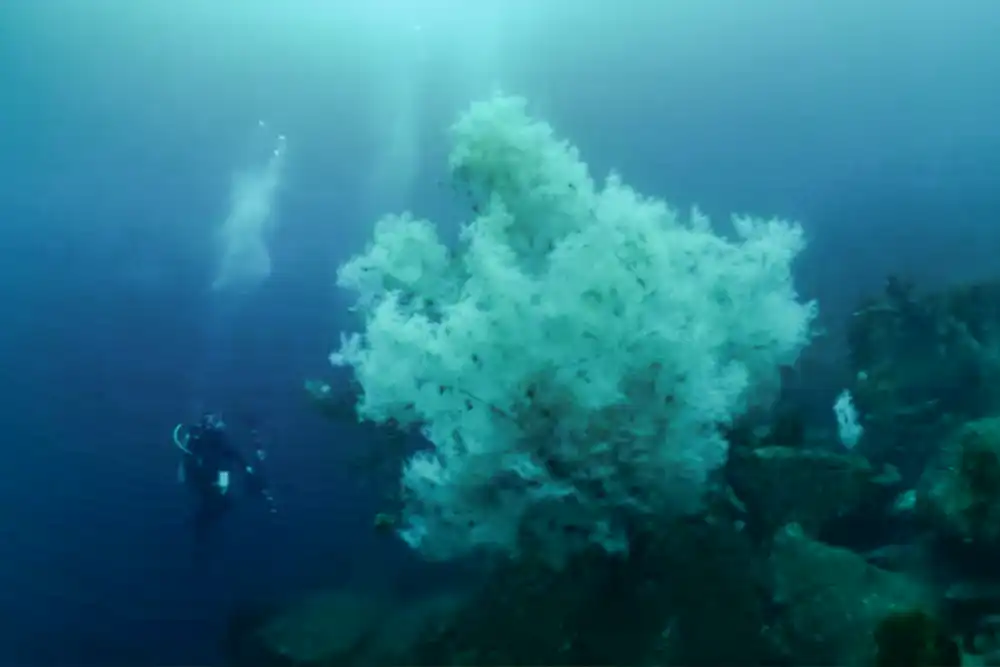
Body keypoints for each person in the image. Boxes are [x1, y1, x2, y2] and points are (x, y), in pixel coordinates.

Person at [172, 412, 276, 547]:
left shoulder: (211, 439)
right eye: (214, 420)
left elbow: (231, 455)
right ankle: (198, 528)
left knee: (219, 503)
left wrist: (244, 469)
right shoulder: (205, 438)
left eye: (217, 420)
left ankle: (199, 528)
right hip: (204, 480)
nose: (219, 423)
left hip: (205, 480)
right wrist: (243, 469)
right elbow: (229, 457)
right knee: (220, 503)